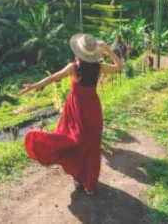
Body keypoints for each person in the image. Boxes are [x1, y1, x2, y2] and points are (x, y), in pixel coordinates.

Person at [18, 34, 123, 195]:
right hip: (93, 109)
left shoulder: (73, 67)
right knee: (93, 147)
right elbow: (119, 67)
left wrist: (32, 87)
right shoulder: (98, 67)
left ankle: (80, 178)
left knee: (75, 142)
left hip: (76, 110)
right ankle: (90, 186)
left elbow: (53, 78)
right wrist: (108, 49)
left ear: (78, 52)